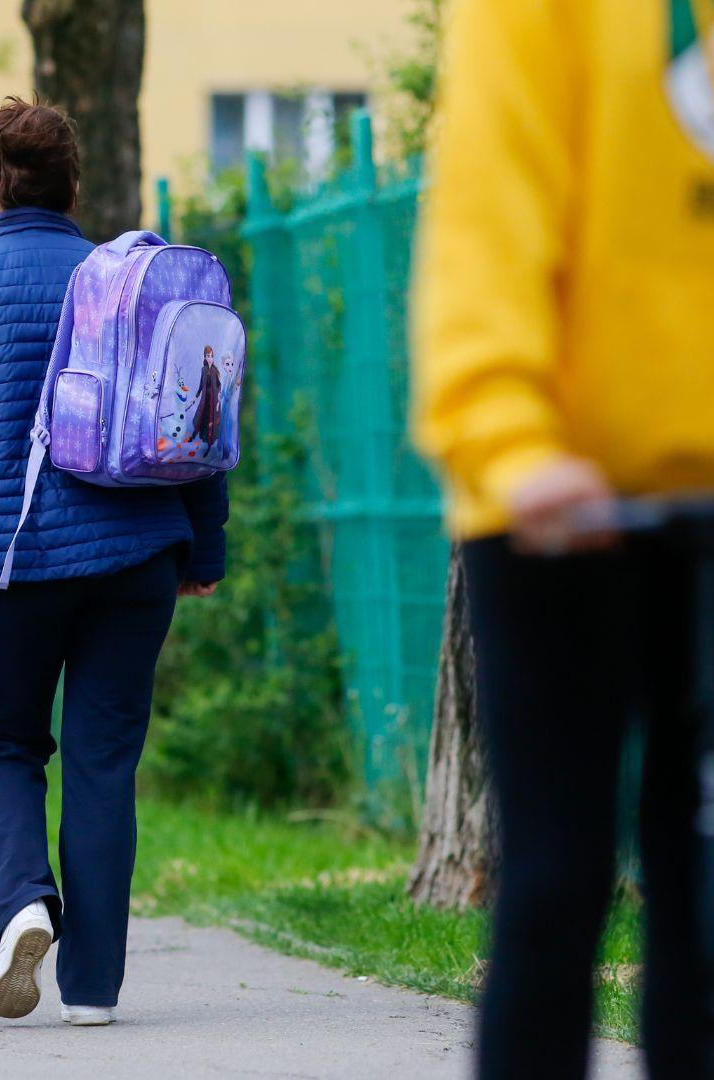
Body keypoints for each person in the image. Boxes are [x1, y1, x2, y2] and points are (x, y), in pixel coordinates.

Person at [412, 2, 714, 1075]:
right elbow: (490, 203)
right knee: (556, 880)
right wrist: (506, 434)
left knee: (706, 891)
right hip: (557, 503)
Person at [0, 98, 227, 1026]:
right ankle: (93, 992)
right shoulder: (130, 281)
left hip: (6, 564)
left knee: (5, 745)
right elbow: (197, 418)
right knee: (103, 763)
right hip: (136, 553)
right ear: (73, 187)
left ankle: (24, 905)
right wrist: (204, 546)